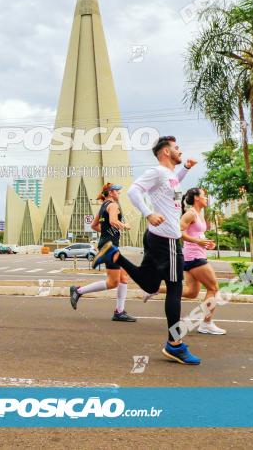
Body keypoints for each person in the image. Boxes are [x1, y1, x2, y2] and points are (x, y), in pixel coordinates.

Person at [92, 136, 201, 365]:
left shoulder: (170, 175)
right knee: (174, 288)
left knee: (151, 285)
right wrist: (147, 213)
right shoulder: (158, 172)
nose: (179, 150)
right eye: (175, 148)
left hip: (157, 237)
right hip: (168, 239)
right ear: (165, 153)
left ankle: (115, 255)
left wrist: (186, 170)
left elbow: (170, 189)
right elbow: (134, 191)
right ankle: (175, 345)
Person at [69, 183, 135, 322]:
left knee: (123, 278)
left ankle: (119, 311)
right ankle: (78, 291)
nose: (119, 194)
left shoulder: (103, 206)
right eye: (118, 191)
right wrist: (125, 226)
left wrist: (106, 233)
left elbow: (94, 225)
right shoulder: (113, 205)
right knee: (112, 282)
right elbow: (113, 221)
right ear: (111, 193)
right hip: (110, 247)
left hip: (106, 244)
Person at [179, 188, 226, 335]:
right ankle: (206, 323)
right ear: (197, 198)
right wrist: (198, 242)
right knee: (214, 288)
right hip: (194, 257)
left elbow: (197, 233)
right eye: (204, 196)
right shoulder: (191, 213)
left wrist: (206, 242)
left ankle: (154, 290)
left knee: (191, 292)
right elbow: (178, 232)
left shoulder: (198, 214)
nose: (206, 198)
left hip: (193, 256)